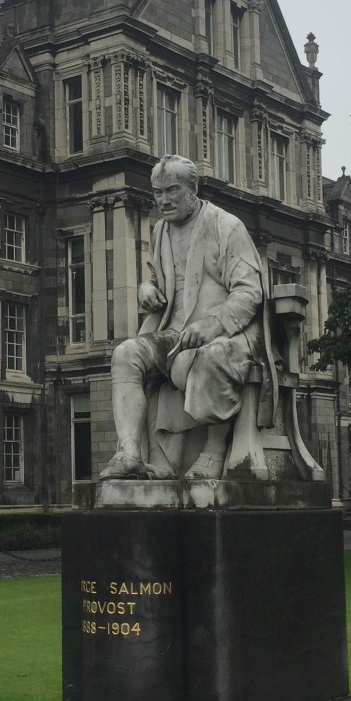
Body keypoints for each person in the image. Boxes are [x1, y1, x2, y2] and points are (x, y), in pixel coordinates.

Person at [99, 155, 267, 481]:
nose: (163, 200)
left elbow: (249, 292)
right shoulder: (160, 230)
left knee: (211, 356)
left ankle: (214, 451)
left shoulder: (226, 226)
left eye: (171, 190)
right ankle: (130, 453)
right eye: (157, 192)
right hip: (173, 335)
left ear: (193, 187)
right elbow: (159, 280)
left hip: (226, 334)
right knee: (125, 354)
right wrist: (146, 289)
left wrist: (213, 324)